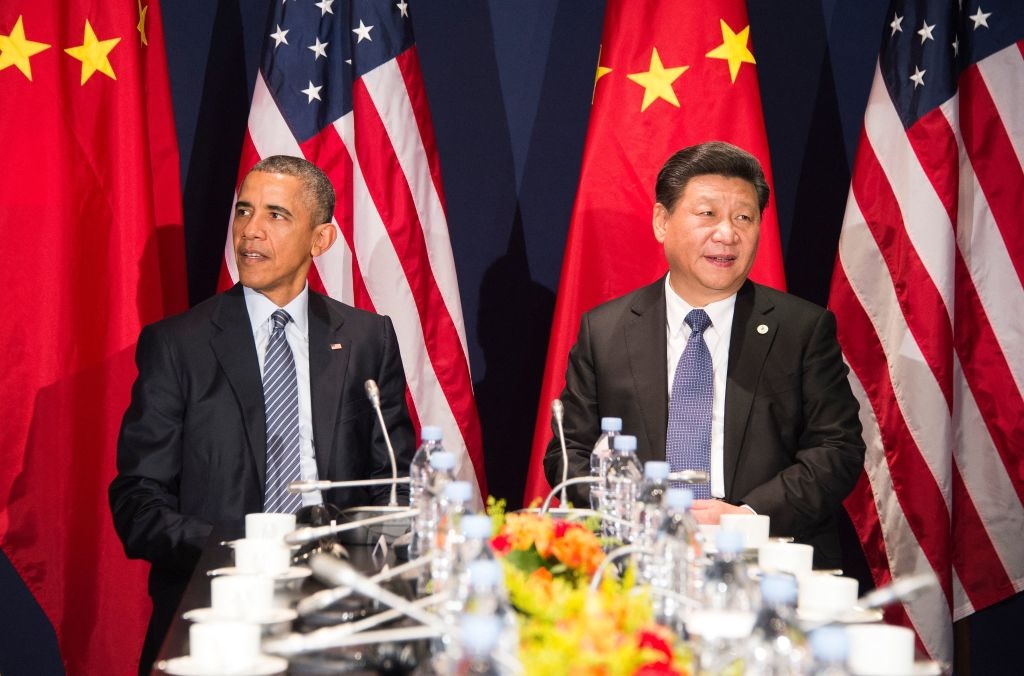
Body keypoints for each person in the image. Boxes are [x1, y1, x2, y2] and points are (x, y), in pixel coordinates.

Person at [109, 156, 415, 673]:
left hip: (340, 605)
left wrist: (359, 560)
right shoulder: (178, 345)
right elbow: (138, 503)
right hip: (218, 603)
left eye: (276, 215)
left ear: (321, 239)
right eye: (244, 210)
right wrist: (243, 549)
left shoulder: (367, 339)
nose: (251, 230)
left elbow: (396, 481)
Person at [544, 141, 864, 567]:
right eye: (707, 214)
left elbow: (837, 447)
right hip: (637, 558)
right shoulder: (605, 331)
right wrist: (639, 509)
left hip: (767, 555)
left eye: (744, 217)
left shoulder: (802, 329)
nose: (727, 234)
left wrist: (746, 516)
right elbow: (569, 457)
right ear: (662, 221)